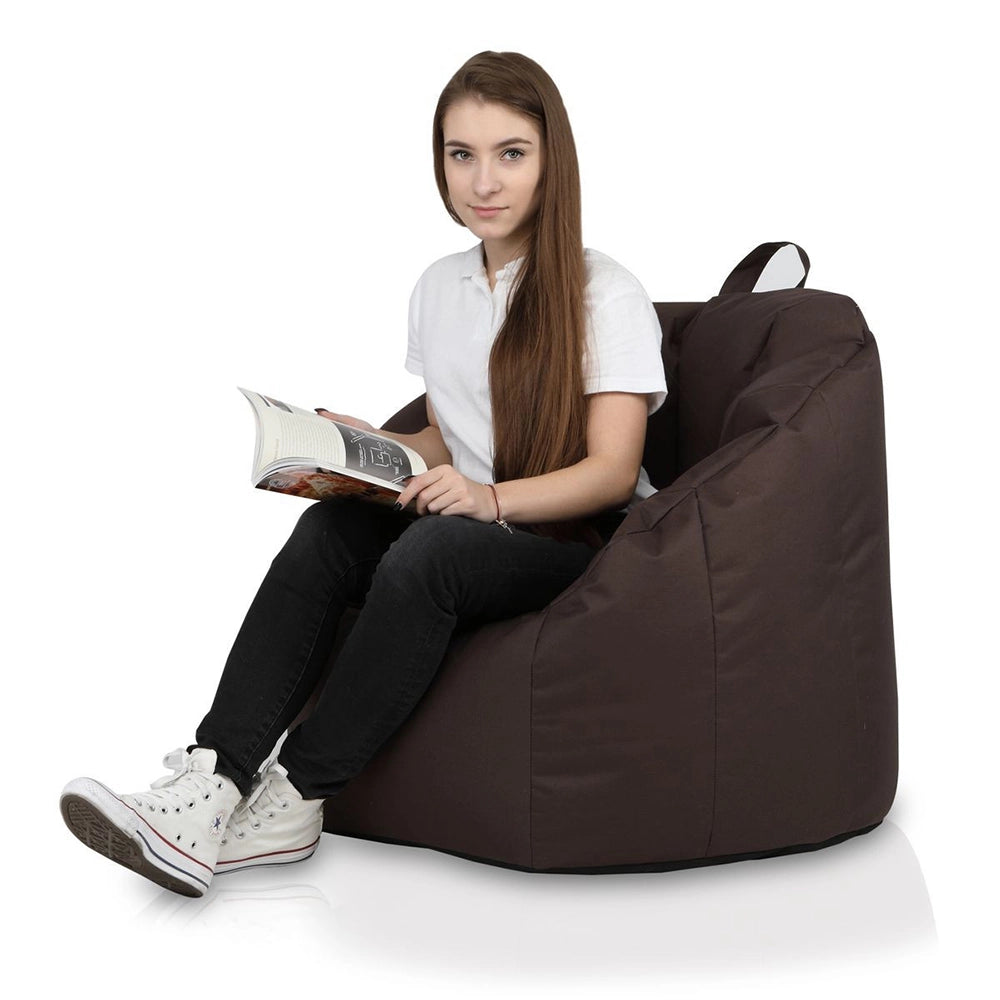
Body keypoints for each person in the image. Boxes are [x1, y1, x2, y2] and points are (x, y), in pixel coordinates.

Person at [59, 50, 668, 898]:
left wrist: (489, 499)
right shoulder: (440, 287)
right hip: (479, 522)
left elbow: (611, 471)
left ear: (551, 159)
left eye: (511, 153)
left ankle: (295, 798)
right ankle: (212, 784)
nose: (483, 181)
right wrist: (365, 448)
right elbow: (456, 438)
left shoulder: (606, 291)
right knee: (332, 529)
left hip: (572, 544)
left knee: (430, 555)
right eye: (461, 154)